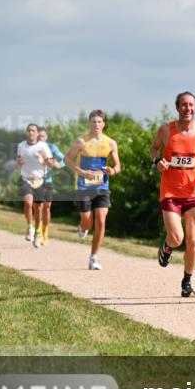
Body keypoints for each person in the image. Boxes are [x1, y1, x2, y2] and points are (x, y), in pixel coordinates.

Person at [150, 91, 195, 298]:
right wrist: (158, 162)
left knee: (193, 240)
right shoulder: (166, 130)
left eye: (191, 105)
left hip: (194, 192)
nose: (187, 108)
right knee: (177, 237)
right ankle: (167, 246)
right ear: (177, 108)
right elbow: (154, 150)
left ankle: (187, 281)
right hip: (171, 192)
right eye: (183, 105)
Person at [64, 110, 121, 270]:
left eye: (99, 122)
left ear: (104, 123)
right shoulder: (82, 141)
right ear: (89, 123)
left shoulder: (111, 143)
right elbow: (66, 158)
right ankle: (83, 227)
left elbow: (118, 165)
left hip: (102, 186)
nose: (96, 125)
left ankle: (94, 257)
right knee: (88, 223)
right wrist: (81, 172)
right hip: (84, 186)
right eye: (93, 122)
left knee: (101, 220)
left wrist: (113, 171)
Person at [15, 123, 54, 247]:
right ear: (26, 132)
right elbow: (19, 160)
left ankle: (38, 233)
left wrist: (45, 158)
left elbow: (52, 163)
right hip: (26, 179)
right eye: (29, 130)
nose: (31, 133)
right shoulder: (21, 146)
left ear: (37, 134)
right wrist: (18, 162)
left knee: (38, 209)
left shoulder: (43, 146)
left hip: (40, 181)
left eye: (33, 131)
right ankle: (29, 227)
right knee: (28, 202)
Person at [36, 126, 66, 247]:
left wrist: (58, 164)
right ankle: (37, 233)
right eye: (38, 136)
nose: (40, 138)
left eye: (42, 136)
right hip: (35, 181)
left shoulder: (52, 147)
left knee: (47, 207)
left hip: (48, 181)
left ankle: (45, 232)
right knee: (38, 207)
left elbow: (64, 159)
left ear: (46, 137)